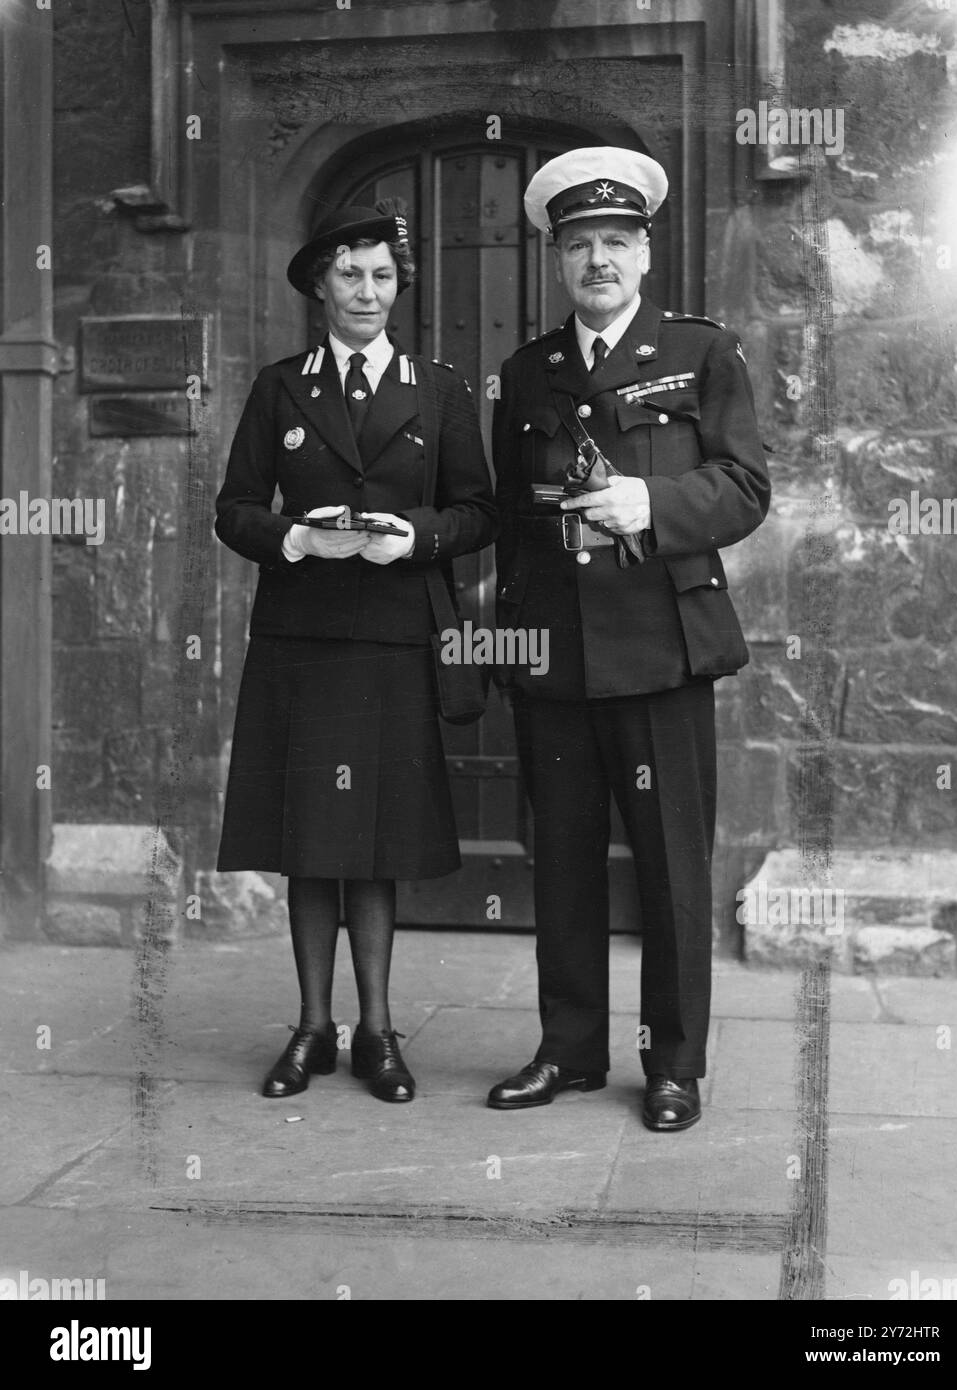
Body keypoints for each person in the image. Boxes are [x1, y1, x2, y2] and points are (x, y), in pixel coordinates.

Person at [488, 148, 770, 1131]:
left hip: (661, 645)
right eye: (578, 246)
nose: (597, 261)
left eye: (614, 242)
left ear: (644, 254)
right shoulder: (528, 372)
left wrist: (650, 499)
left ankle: (674, 1063)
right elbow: (513, 518)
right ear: (557, 261)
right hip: (555, 654)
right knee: (560, 858)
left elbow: (745, 488)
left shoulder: (701, 353)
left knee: (670, 865)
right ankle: (566, 1050)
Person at [215, 201, 497, 1104]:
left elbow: (479, 512)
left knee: (375, 842)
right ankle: (311, 1030)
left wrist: (408, 537)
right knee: (309, 841)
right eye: (349, 274)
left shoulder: (441, 388)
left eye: (381, 275)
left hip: (394, 639)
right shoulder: (279, 386)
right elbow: (234, 510)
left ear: (397, 286)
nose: (367, 291)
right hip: (302, 640)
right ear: (319, 287)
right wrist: (295, 538)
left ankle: (376, 1031)